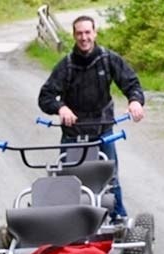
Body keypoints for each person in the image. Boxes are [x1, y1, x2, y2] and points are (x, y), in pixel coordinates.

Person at [37, 15, 146, 219]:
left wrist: (135, 101)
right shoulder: (66, 66)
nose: (84, 37)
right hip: (73, 134)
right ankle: (68, 222)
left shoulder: (108, 59)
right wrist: (60, 108)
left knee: (110, 179)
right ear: (74, 35)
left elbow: (132, 84)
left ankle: (117, 220)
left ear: (95, 33)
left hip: (102, 131)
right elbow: (45, 97)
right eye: (79, 33)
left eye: (87, 32)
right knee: (68, 181)